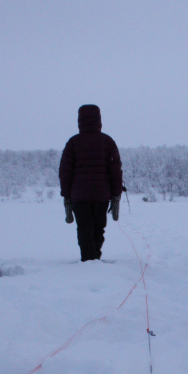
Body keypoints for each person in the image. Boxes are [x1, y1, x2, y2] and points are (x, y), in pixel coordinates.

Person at [59, 105, 123, 261]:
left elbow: (65, 172)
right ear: (99, 120)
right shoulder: (107, 141)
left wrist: (66, 195)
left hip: (79, 196)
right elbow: (116, 170)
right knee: (98, 229)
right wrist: (116, 193)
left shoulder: (73, 142)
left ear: (79, 121)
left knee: (84, 229)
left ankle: (89, 261)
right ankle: (93, 261)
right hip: (101, 195)